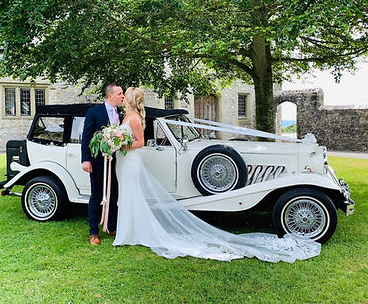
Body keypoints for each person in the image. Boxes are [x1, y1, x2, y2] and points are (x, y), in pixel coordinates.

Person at [112, 87, 321, 263]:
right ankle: (129, 231)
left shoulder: (135, 119)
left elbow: (136, 141)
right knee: (129, 196)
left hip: (130, 159)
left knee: (132, 195)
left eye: (124, 96)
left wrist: (121, 143)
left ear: (129, 100)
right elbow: (138, 141)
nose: (122, 99)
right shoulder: (128, 117)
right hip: (127, 161)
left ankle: (131, 231)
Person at [81, 83, 124, 245]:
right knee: (96, 195)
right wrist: (85, 159)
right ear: (110, 95)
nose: (122, 96)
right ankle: (93, 232)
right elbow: (86, 138)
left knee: (114, 195)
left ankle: (111, 226)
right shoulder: (94, 112)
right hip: (97, 161)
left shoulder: (121, 113)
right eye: (120, 93)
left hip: (116, 161)